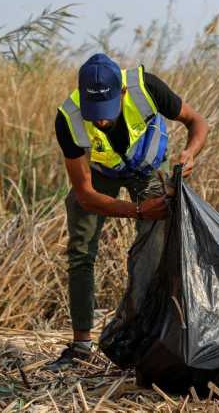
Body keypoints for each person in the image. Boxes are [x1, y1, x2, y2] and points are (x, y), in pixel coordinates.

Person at [45, 53, 209, 371]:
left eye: (106, 111)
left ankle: (149, 335)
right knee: (80, 251)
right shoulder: (68, 117)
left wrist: (190, 153)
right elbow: (86, 194)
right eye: (95, 114)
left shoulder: (145, 87)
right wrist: (136, 210)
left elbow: (197, 122)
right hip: (101, 174)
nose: (101, 121)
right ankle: (80, 346)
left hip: (147, 168)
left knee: (158, 247)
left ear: (121, 92)